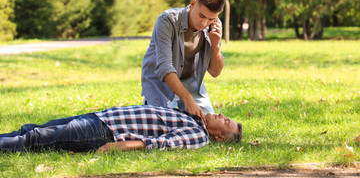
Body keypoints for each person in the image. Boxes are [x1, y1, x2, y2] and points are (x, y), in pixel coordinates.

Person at [0, 105, 242, 153]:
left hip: (105, 131)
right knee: (32, 130)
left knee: (36, 139)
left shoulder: (198, 136)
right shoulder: (196, 121)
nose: (221, 115)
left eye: (226, 121)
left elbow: (163, 144)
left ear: (218, 137)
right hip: (102, 117)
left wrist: (122, 146)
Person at [141, 0, 225, 123]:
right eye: (201, 16)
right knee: (165, 125)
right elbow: (164, 67)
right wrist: (188, 100)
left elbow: (215, 72)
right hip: (161, 81)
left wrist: (215, 45)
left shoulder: (214, 25)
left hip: (190, 81)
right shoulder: (167, 20)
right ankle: (151, 105)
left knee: (209, 125)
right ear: (192, 4)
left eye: (211, 19)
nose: (204, 23)